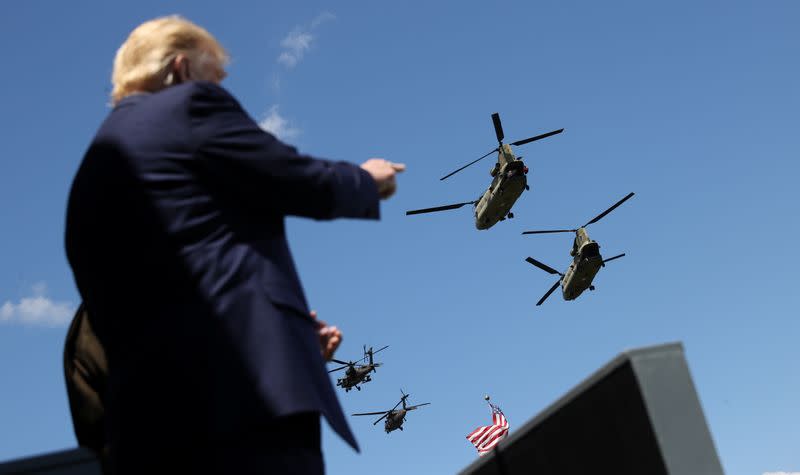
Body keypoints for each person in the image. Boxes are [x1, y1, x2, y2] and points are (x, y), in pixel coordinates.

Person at [64, 15, 404, 474]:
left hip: (147, 436)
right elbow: (292, 177)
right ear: (181, 68)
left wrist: (289, 338)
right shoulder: (188, 106)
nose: (222, 86)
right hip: (247, 414)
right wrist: (365, 179)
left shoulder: (89, 179)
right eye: (216, 74)